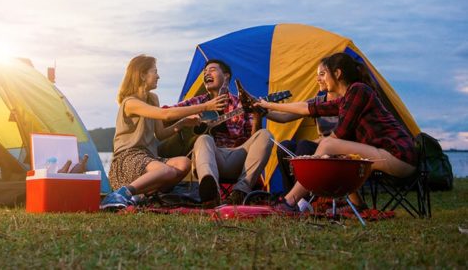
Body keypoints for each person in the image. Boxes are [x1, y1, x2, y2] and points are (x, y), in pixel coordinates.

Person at [254, 52, 417, 213]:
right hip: (383, 155)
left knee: (329, 144)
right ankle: (357, 205)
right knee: (335, 150)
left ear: (337, 73)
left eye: (324, 74)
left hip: (399, 157)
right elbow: (307, 108)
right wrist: (268, 106)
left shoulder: (359, 90)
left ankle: (290, 202)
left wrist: (315, 155)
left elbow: (340, 134)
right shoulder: (346, 98)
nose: (320, 79)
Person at [101, 55, 227, 210]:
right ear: (142, 75)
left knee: (184, 163)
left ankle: (143, 196)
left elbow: (160, 134)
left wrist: (182, 123)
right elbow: (165, 115)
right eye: (155, 71)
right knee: (166, 170)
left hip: (147, 158)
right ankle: (121, 194)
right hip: (127, 159)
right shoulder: (130, 102)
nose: (158, 76)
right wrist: (205, 106)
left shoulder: (153, 98)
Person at [172, 59, 273, 205]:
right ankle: (210, 191)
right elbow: (167, 111)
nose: (207, 73)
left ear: (226, 76)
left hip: (237, 158)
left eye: (212, 70)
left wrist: (257, 117)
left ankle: (240, 192)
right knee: (203, 139)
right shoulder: (198, 102)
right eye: (205, 72)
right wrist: (193, 114)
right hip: (209, 158)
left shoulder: (240, 104)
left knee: (265, 135)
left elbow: (254, 140)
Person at [268, 62, 340, 192]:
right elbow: (284, 117)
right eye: (317, 75)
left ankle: (300, 200)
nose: (317, 79)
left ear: (337, 75)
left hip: (337, 149)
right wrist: (263, 111)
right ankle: (290, 195)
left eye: (322, 74)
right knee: (285, 146)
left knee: (304, 145)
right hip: (321, 148)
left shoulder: (348, 101)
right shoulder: (317, 101)